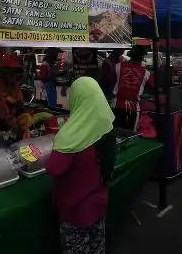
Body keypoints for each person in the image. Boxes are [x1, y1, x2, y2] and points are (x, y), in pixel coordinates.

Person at [46, 77, 116, 254]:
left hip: (75, 211)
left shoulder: (71, 135)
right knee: (96, 248)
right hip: (98, 204)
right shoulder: (106, 126)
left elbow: (54, 168)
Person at [111, 45, 154, 130]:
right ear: (142, 57)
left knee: (115, 134)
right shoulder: (146, 73)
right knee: (131, 137)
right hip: (134, 109)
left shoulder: (118, 66)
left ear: (130, 55)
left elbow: (111, 83)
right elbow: (156, 87)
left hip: (116, 106)